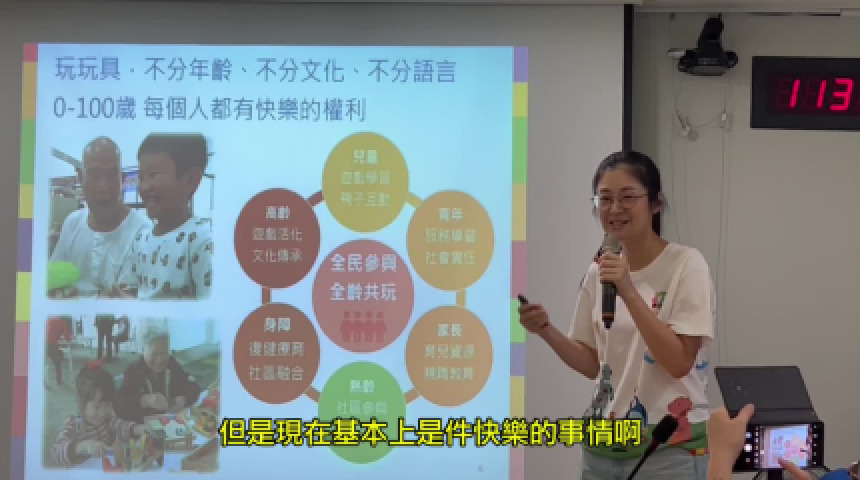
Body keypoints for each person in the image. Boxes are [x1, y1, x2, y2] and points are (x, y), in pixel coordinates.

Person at [519, 151, 716, 479]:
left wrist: (627, 288)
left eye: (627, 197)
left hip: (667, 448)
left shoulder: (686, 264)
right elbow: (593, 364)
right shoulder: (598, 271)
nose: (614, 209)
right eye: (605, 199)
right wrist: (545, 330)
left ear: (655, 203)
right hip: (602, 447)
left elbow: (680, 362)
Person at [49, 137, 151, 298]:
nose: (103, 187)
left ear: (122, 180)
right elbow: (52, 283)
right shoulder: (72, 223)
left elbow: (120, 301)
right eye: (95, 175)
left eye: (111, 175)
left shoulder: (143, 232)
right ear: (81, 179)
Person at [115, 133, 213, 300]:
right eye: (141, 177)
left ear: (190, 180)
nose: (144, 187)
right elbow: (129, 288)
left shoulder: (201, 242)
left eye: (153, 175)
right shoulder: (141, 238)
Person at [50, 359, 148, 467]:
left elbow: (121, 425)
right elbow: (56, 452)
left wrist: (137, 428)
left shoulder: (108, 419)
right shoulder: (74, 424)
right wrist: (83, 446)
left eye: (107, 405)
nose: (102, 413)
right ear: (81, 403)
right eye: (96, 407)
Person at [114, 326, 203, 424]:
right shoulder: (134, 370)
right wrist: (145, 400)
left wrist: (183, 398)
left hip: (171, 423)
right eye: (154, 354)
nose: (159, 360)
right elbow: (119, 406)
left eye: (164, 353)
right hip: (145, 426)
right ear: (143, 351)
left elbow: (193, 386)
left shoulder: (172, 365)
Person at [45, 316, 72, 387]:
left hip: (44, 343)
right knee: (58, 362)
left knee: (47, 362)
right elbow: (68, 338)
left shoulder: (51, 319)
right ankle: (59, 381)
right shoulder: (63, 322)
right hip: (51, 344)